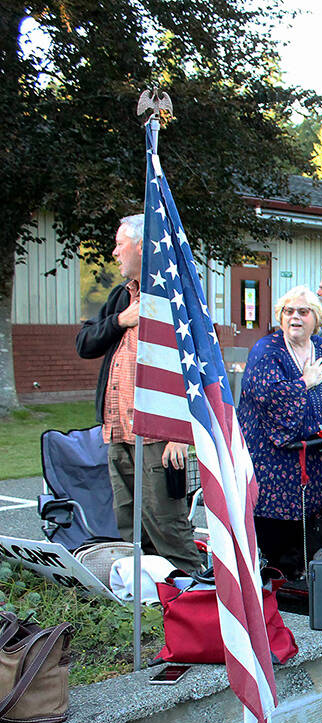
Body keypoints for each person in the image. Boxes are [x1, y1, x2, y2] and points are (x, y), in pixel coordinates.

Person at [74, 214, 202, 576]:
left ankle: (196, 604)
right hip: (118, 432)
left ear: (144, 246)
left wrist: (181, 434)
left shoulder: (173, 295)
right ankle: (147, 608)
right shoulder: (120, 297)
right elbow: (85, 343)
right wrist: (121, 320)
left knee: (168, 529)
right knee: (131, 531)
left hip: (158, 437)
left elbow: (195, 368)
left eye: (120, 244)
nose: (114, 252)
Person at [240, 286, 322, 579]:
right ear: (281, 317)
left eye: (303, 312)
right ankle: (281, 572)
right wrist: (304, 383)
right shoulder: (266, 350)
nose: (295, 317)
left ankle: (310, 567)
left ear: (315, 319)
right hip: (276, 460)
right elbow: (265, 395)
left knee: (319, 513)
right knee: (281, 522)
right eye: (288, 311)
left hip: (319, 455)